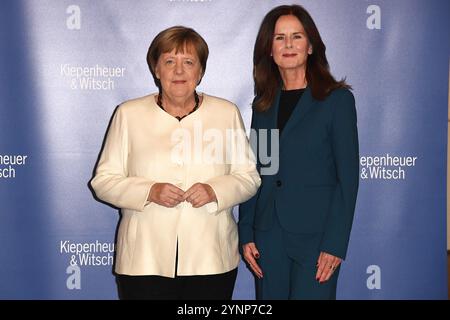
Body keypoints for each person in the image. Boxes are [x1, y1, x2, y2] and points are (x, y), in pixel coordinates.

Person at [90, 26, 261, 300]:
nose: (179, 71)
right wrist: (149, 191)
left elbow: (248, 177)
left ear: (200, 71)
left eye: (188, 62)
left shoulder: (225, 113)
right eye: (169, 61)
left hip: (211, 260)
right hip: (143, 262)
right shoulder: (129, 114)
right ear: (156, 69)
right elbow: (104, 182)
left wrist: (214, 190)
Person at [238, 5, 359, 300]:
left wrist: (335, 243)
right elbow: (259, 171)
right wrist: (247, 232)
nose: (288, 45)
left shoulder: (336, 100)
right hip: (268, 236)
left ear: (311, 46)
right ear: (269, 49)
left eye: (297, 36)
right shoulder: (262, 105)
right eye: (279, 38)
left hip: (317, 240)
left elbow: (348, 179)